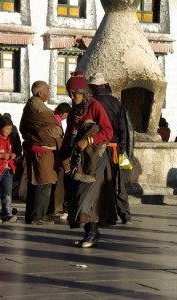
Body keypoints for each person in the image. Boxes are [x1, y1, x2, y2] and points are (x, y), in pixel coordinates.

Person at [60, 70, 117, 248]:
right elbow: (69, 134)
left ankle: (92, 232)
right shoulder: (74, 111)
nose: (71, 96)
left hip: (95, 159)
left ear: (83, 93)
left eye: (74, 93)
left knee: (88, 195)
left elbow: (108, 131)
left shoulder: (95, 106)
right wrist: (62, 157)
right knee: (78, 195)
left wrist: (88, 140)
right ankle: (90, 233)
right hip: (79, 161)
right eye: (69, 93)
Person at [88, 72, 134, 225]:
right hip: (117, 149)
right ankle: (125, 215)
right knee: (118, 183)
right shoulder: (116, 103)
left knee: (100, 183)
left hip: (99, 148)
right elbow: (124, 130)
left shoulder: (92, 103)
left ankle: (102, 214)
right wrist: (123, 150)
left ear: (92, 87)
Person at [19, 80, 63, 225]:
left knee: (34, 183)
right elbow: (53, 127)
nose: (48, 93)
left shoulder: (31, 106)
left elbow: (23, 128)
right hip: (43, 153)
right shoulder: (39, 109)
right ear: (40, 93)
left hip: (35, 151)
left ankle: (31, 215)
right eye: (47, 91)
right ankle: (38, 216)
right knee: (44, 183)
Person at [0, 116, 20, 224]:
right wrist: (0, 155)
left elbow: (17, 151)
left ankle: (7, 212)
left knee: (7, 192)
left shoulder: (11, 139)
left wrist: (14, 155)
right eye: (6, 129)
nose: (8, 131)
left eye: (10, 129)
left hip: (8, 169)